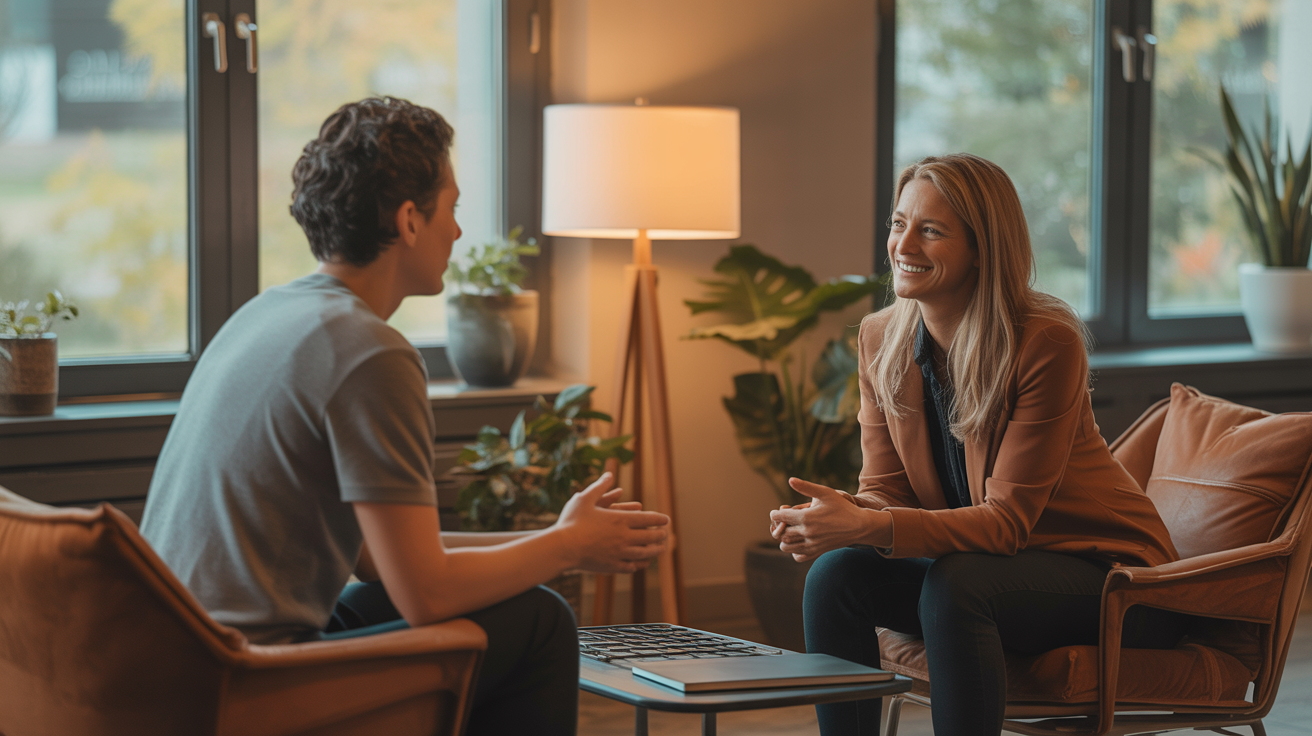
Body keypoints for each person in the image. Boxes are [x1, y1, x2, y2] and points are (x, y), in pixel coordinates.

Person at [140, 97, 669, 735]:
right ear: (410, 219)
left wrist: (558, 538)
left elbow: (379, 563)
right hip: (247, 686)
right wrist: (564, 548)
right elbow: (429, 596)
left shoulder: (268, 313)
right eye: (452, 209)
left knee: (384, 596)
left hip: (176, 669)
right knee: (540, 621)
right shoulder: (369, 353)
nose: (458, 232)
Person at [769, 154, 1185, 736]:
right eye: (898, 223)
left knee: (959, 583)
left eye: (931, 230)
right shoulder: (881, 337)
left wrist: (871, 525)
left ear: (982, 248)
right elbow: (886, 493)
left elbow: (1006, 525)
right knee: (837, 574)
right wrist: (838, 518)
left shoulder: (1045, 342)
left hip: (1113, 582)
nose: (903, 244)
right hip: (986, 575)